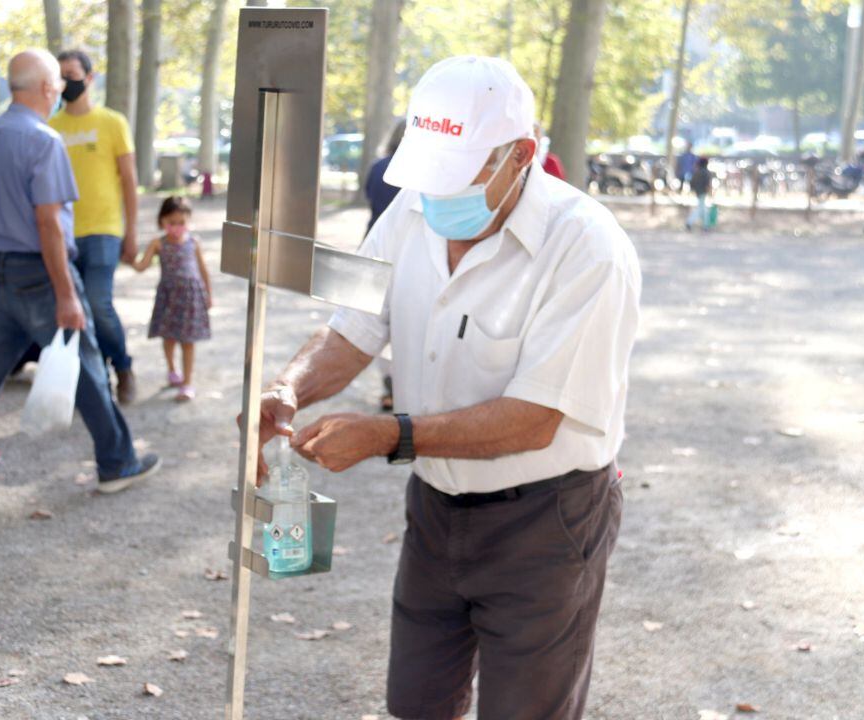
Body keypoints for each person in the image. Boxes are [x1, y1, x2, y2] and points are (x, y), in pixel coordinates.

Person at [248, 56, 640, 720]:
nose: (436, 199)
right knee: (417, 702)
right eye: (430, 176)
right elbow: (350, 326)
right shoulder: (407, 209)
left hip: (546, 520)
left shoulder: (589, 248)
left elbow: (534, 419)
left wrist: (388, 436)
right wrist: (289, 389)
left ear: (521, 156)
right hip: (434, 508)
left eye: (456, 178)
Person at [0, 50, 160, 510]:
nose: (61, 88)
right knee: (85, 365)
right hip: (40, 273)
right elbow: (48, 224)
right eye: (57, 82)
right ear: (45, 88)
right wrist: (66, 293)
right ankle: (117, 463)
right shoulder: (44, 141)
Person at [48, 49, 139, 405]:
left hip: (104, 230)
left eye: (71, 74)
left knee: (99, 304)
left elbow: (129, 181)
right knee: (76, 308)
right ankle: (93, 378)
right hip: (63, 233)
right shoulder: (51, 127)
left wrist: (131, 233)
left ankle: (123, 367)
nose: (66, 82)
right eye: (60, 75)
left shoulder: (112, 122)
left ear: (89, 77)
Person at [133, 196, 211, 402]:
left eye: (181, 223)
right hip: (168, 298)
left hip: (191, 297)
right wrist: (128, 258)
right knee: (168, 337)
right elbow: (142, 266)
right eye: (171, 223)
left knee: (188, 341)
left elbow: (203, 271)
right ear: (162, 222)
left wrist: (208, 295)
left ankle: (187, 382)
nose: (177, 227)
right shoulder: (157, 244)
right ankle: (172, 370)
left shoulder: (194, 243)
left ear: (188, 221)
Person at [364, 120, 406, 411]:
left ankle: (389, 382)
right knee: (404, 320)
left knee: (374, 319)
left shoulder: (379, 167)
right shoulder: (418, 174)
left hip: (372, 249)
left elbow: (369, 196)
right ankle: (399, 384)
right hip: (403, 253)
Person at [365, 120, 406, 233]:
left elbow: (368, 195)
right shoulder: (416, 172)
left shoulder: (377, 166)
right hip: (400, 235)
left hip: (374, 231)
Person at [686, 156, 712, 231]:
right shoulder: (706, 172)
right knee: (701, 209)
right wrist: (710, 193)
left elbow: (691, 183)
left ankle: (706, 225)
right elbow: (708, 184)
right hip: (703, 192)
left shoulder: (696, 172)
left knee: (703, 209)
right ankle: (690, 222)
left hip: (698, 192)